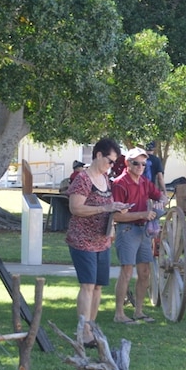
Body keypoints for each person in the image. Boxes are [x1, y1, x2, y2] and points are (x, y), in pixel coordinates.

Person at [65, 138, 129, 347]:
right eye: (110, 161)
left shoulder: (106, 180)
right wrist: (104, 209)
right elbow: (75, 208)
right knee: (87, 285)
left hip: (102, 241)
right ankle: (83, 332)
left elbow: (107, 205)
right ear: (99, 155)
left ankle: (91, 329)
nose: (112, 166)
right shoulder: (83, 179)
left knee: (99, 287)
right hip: (82, 240)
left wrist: (116, 209)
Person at [111, 147, 165, 324]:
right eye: (136, 163)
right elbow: (117, 216)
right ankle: (119, 314)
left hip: (143, 231)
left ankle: (138, 311)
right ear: (127, 163)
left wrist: (159, 203)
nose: (140, 166)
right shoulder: (120, 183)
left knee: (145, 272)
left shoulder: (144, 182)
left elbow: (160, 196)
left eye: (144, 163)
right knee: (127, 271)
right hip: (127, 230)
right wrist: (143, 214)